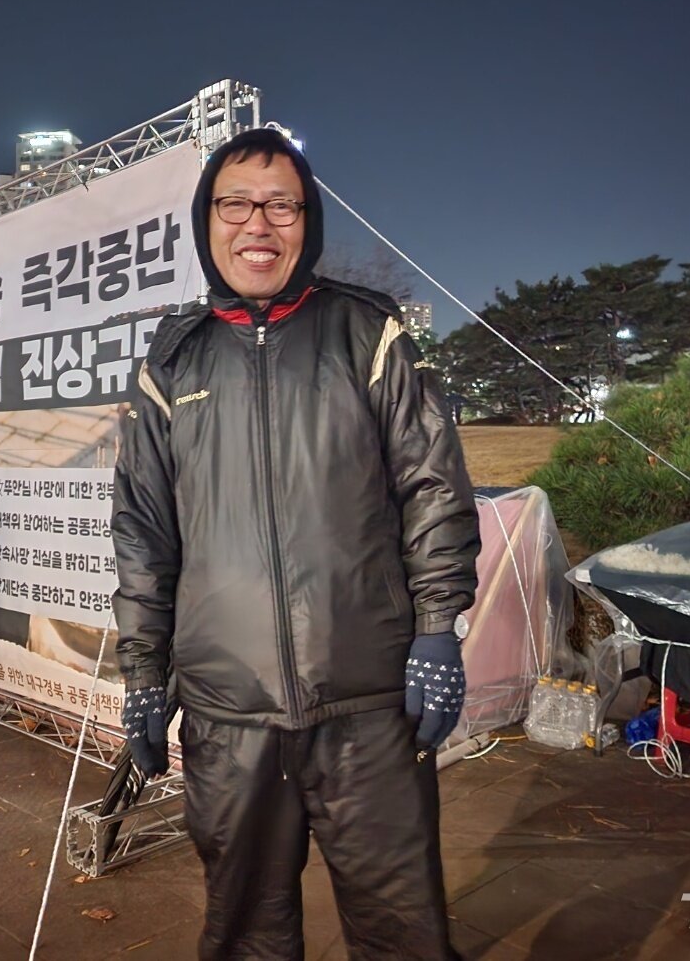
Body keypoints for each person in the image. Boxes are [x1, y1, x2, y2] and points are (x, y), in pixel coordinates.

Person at [112, 128, 480, 959]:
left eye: (281, 205)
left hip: (369, 706)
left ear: (306, 220)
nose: (259, 225)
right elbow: (143, 533)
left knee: (404, 932)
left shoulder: (367, 333)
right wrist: (143, 675)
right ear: (208, 220)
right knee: (245, 931)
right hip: (227, 715)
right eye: (236, 203)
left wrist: (436, 630)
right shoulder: (172, 363)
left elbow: (434, 489)